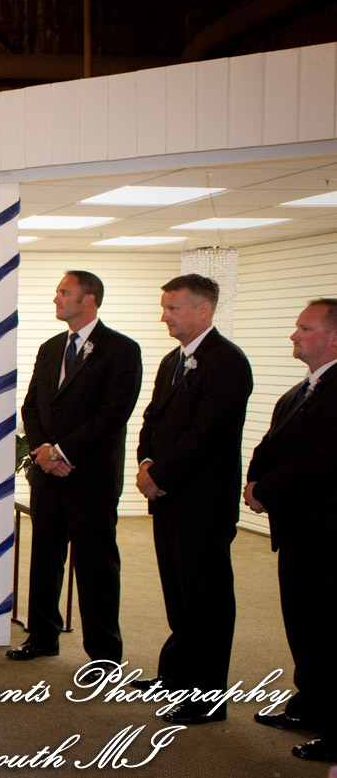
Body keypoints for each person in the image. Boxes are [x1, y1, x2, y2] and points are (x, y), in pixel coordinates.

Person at [133, 274, 252, 724]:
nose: (164, 316)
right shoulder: (171, 361)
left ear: (203, 310)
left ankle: (207, 697)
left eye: (173, 308)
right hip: (167, 496)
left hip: (202, 501)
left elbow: (207, 435)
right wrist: (146, 465)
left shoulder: (227, 363)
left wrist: (159, 475)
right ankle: (178, 677)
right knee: (178, 594)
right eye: (164, 308)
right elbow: (152, 421)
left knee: (206, 598)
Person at [9, 271, 142, 664]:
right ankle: (42, 637)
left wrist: (64, 452)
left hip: (91, 476)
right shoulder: (51, 348)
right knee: (45, 559)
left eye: (64, 292)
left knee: (95, 565)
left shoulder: (121, 350)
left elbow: (113, 413)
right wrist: (43, 453)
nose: (56, 298)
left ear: (89, 299)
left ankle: (103, 654)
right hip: (48, 475)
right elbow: (31, 406)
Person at [245, 298, 337, 763]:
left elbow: (322, 462)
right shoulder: (303, 390)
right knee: (303, 626)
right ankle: (309, 703)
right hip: (299, 532)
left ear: (335, 337)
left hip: (327, 536)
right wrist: (255, 484)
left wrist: (268, 489)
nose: (294, 335)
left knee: (328, 630)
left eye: (304, 328)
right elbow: (271, 445)